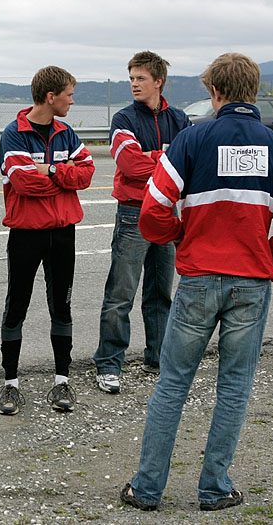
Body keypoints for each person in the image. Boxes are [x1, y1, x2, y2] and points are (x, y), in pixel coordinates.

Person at [120, 52, 273, 512]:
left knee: (172, 384)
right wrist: (267, 267)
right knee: (235, 387)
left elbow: (153, 212)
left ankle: (147, 488)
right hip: (251, 282)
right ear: (255, 91)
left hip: (199, 278)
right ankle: (215, 487)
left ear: (214, 91)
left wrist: (181, 235)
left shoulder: (191, 139)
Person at [0, 66, 95, 415]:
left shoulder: (66, 133)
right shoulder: (14, 134)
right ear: (51, 97)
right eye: (69, 94)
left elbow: (87, 174)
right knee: (16, 307)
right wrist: (63, 179)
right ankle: (10, 384)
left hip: (63, 233)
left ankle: (62, 380)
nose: (72, 101)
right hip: (25, 234)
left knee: (62, 307)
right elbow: (24, 183)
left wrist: (50, 169)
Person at [93, 51, 191, 394]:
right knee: (121, 293)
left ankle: (158, 360)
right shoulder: (124, 119)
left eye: (141, 78)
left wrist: (153, 156)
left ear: (158, 81)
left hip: (167, 212)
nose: (134, 84)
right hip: (133, 212)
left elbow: (190, 163)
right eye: (131, 78)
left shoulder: (179, 119)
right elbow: (131, 165)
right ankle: (109, 364)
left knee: (160, 293)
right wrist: (167, 159)